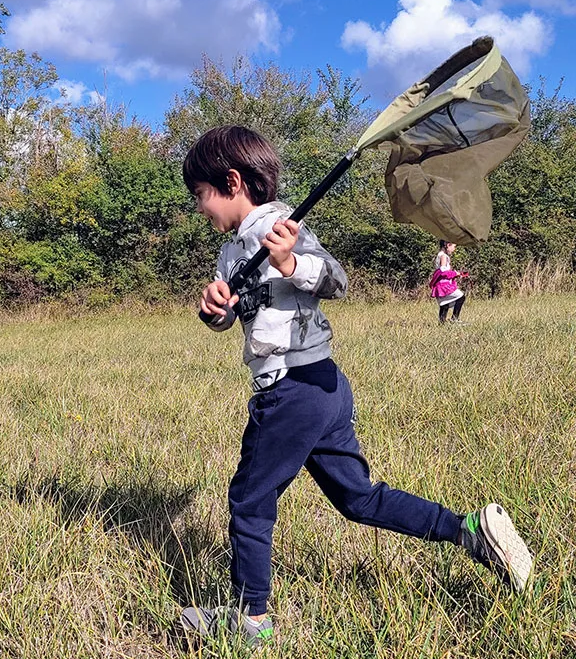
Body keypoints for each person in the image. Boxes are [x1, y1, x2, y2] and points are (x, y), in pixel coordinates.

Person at [177, 126, 532, 647]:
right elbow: (239, 316)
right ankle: (468, 531)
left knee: (250, 499)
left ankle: (251, 623)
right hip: (321, 391)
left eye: (201, 196)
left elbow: (337, 281)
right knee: (358, 499)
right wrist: (216, 312)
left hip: (294, 388)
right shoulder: (232, 253)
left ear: (231, 182)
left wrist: (292, 263)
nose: (201, 208)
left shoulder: (281, 227)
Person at [430, 240, 468, 323]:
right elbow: (443, 272)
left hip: (439, 285)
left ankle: (442, 323)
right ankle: (455, 319)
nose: (454, 249)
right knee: (461, 297)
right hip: (444, 285)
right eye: (454, 247)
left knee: (444, 304)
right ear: (448, 245)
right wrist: (455, 273)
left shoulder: (439, 255)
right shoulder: (444, 256)